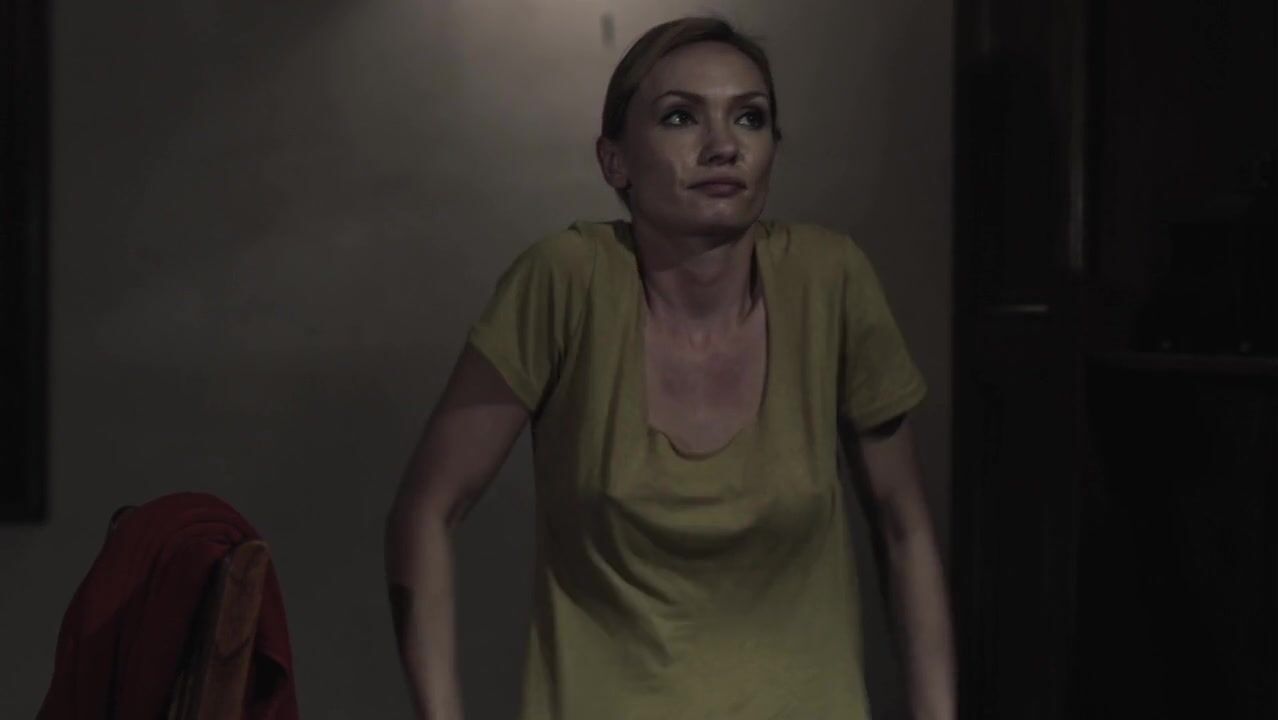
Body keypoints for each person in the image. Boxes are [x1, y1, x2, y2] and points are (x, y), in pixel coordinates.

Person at [385, 16, 955, 720]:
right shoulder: (566, 283)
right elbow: (426, 508)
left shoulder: (828, 279)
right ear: (614, 161)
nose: (723, 145)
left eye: (749, 117)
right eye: (681, 117)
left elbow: (904, 524)